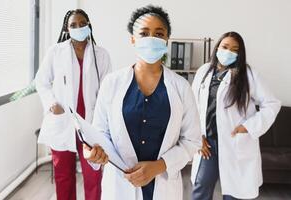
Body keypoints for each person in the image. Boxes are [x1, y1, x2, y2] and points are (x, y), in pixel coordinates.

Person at [82, 5, 201, 200]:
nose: (151, 39)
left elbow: (192, 140)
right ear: (132, 39)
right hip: (120, 186)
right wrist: (94, 151)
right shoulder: (112, 83)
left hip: (163, 186)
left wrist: (159, 166)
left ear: (166, 40)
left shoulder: (181, 87)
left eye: (159, 33)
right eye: (144, 33)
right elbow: (100, 133)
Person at [190, 31, 281, 200]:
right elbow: (192, 106)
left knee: (234, 193)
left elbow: (272, 104)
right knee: (201, 186)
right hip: (207, 141)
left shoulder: (248, 75)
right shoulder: (203, 71)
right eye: (225, 47)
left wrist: (248, 127)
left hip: (234, 141)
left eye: (234, 49)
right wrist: (197, 135)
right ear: (217, 48)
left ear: (240, 53)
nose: (228, 52)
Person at [35, 9, 111, 200]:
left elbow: (108, 90)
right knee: (63, 175)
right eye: (73, 25)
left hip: (90, 123)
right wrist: (52, 103)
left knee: (94, 175)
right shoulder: (55, 52)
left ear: (89, 25)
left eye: (82, 23)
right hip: (63, 122)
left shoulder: (101, 55)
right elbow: (41, 81)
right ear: (67, 29)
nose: (78, 27)